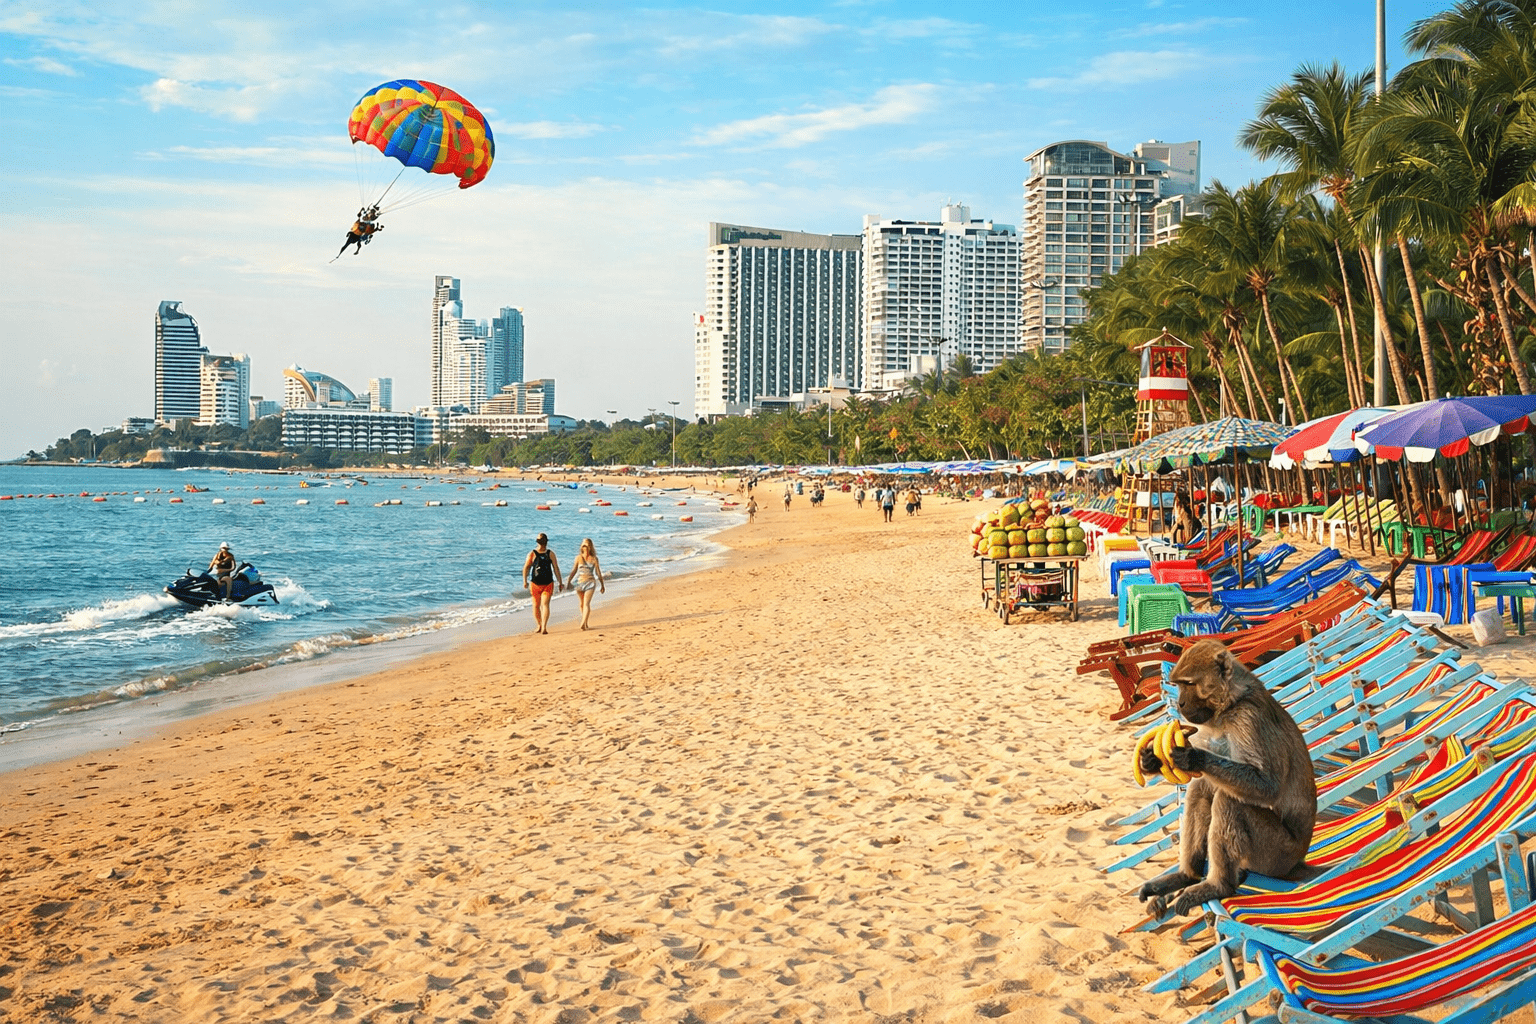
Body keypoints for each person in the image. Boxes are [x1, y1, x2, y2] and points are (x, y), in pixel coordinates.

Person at [522, 533, 563, 634]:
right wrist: (525, 580)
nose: (541, 544)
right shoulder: (532, 554)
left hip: (548, 584)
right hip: (535, 584)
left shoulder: (550, 553)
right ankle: (540, 625)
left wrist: (560, 582)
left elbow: (556, 568)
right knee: (536, 606)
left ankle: (544, 626)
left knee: (545, 604)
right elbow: (526, 567)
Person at [565, 537, 605, 631]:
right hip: (579, 583)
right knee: (582, 604)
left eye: (586, 544)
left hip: (590, 582)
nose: (584, 546)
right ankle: (585, 622)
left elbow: (598, 573)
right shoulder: (578, 558)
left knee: (586, 603)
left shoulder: (594, 559)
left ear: (590, 546)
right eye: (583, 544)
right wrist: (569, 581)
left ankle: (583, 623)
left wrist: (602, 585)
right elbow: (574, 570)